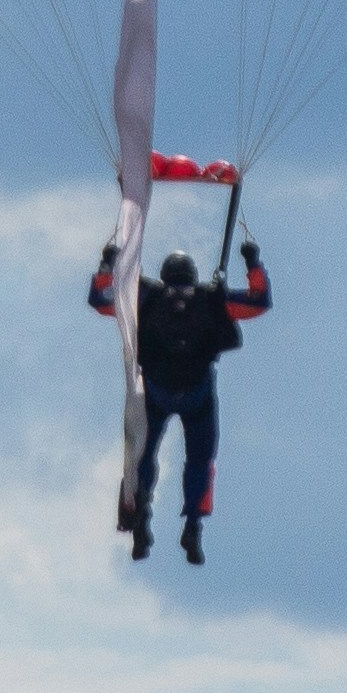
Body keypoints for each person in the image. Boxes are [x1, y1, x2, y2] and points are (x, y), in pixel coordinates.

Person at [87, 238, 270, 565]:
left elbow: (99, 301)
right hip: (197, 393)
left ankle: (141, 507)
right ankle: (193, 525)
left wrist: (107, 265)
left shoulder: (142, 298)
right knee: (200, 461)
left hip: (156, 391)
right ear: (192, 274)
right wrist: (252, 262)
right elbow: (259, 302)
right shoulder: (213, 300)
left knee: (143, 453)